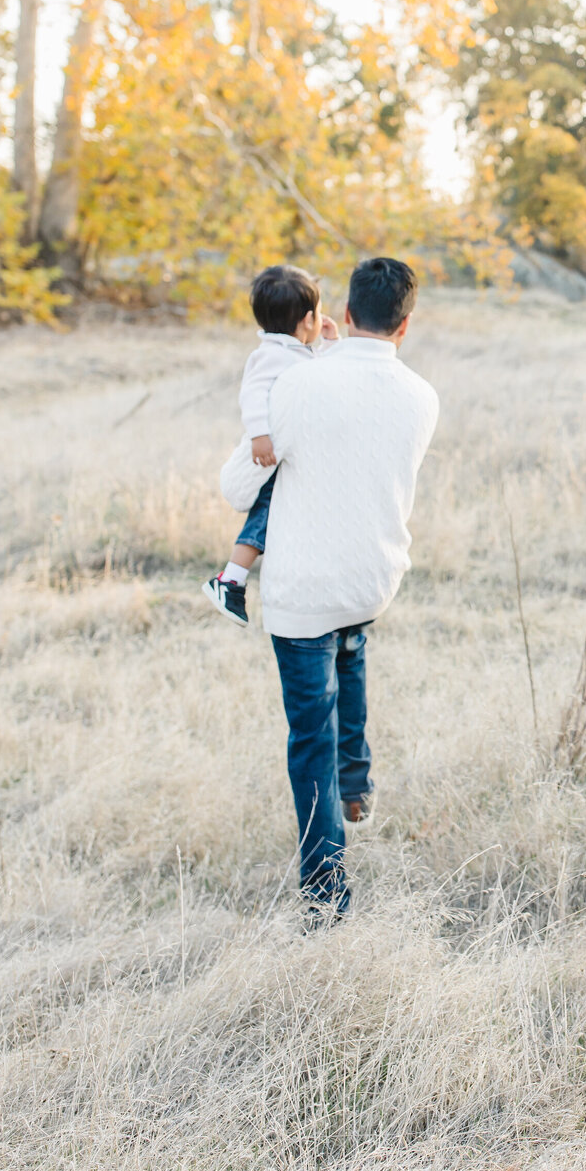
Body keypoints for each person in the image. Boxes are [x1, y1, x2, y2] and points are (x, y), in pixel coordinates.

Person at [220, 256, 438, 926]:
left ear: (344, 315)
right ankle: (356, 783)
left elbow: (237, 488)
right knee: (350, 647)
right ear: (404, 326)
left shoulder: (299, 385)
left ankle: (325, 892)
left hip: (304, 589)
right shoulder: (421, 396)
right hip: (372, 580)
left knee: (308, 732)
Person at [203, 264, 338, 627]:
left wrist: (331, 343)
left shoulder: (296, 350)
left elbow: (321, 376)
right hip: (271, 454)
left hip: (288, 454)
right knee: (265, 512)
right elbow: (253, 394)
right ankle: (230, 578)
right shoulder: (270, 354)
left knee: (276, 513)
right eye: (320, 312)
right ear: (308, 319)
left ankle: (235, 577)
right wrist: (260, 434)